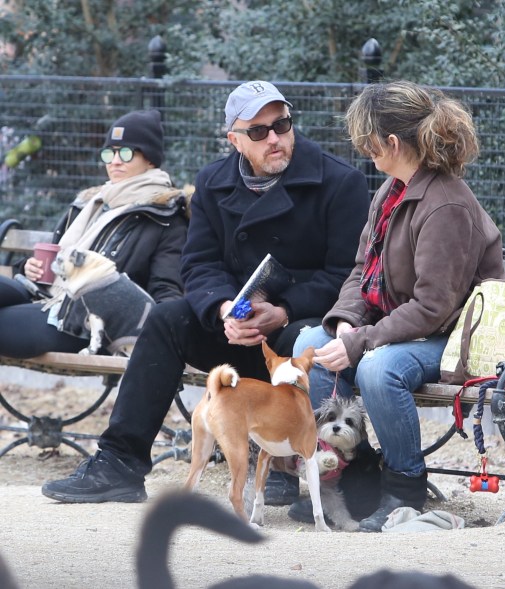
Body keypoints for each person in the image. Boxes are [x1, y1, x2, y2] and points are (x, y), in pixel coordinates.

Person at [41, 80, 370, 504]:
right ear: (233, 139)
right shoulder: (213, 181)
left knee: (299, 340)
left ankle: (277, 467)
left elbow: (347, 275)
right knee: (166, 319)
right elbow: (198, 264)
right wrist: (223, 309)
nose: (274, 138)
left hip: (297, 328)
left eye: (282, 124)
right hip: (234, 327)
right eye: (258, 131)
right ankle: (119, 463)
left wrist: (284, 310)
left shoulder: (338, 181)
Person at [292, 80, 505, 532]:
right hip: (404, 325)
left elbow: (434, 306)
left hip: (453, 336)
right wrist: (348, 321)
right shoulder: (390, 190)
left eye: (368, 141)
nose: (363, 149)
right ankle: (350, 468)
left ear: (391, 142)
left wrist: (363, 341)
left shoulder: (445, 203)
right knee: (310, 341)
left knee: (377, 369)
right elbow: (359, 271)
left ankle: (404, 487)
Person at [0, 109, 189, 358]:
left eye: (126, 153)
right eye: (109, 152)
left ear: (150, 159)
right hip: (43, 294)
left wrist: (162, 342)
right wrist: (29, 267)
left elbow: (166, 289)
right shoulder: (89, 203)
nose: (115, 161)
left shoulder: (164, 215)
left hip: (87, 320)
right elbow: (56, 260)